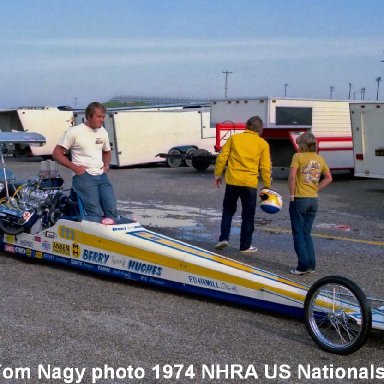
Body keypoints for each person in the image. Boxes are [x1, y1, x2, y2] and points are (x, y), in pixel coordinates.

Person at [52, 101, 117, 224]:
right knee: (94, 212)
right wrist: (75, 168)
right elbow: (57, 153)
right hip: (84, 176)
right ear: (89, 116)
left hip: (101, 175)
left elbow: (107, 152)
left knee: (111, 208)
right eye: (99, 117)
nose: (101, 120)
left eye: (103, 117)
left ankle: (110, 237)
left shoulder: (103, 132)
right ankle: (92, 237)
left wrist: (106, 166)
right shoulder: (74, 132)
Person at [214, 115, 271, 253]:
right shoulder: (262, 143)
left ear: (246, 125)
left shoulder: (234, 138)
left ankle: (223, 238)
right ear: (260, 129)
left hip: (233, 181)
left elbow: (222, 157)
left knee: (228, 211)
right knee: (248, 215)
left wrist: (218, 174)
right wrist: (267, 185)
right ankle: (245, 246)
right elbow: (265, 166)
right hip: (249, 184)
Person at [288, 132, 332, 275]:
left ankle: (302, 266)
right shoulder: (320, 158)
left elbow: (292, 176)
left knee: (298, 234)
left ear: (304, 145)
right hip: (313, 200)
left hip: (300, 199)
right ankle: (311, 265)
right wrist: (315, 189)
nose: (298, 146)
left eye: (299, 144)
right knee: (307, 233)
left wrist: (292, 194)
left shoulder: (298, 157)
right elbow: (329, 178)